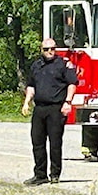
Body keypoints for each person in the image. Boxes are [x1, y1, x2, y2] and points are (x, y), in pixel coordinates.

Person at [21, 38, 77, 185]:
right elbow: (31, 86)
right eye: (46, 49)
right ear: (42, 50)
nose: (49, 52)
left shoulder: (63, 64)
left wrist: (68, 102)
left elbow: (72, 84)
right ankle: (40, 174)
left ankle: (55, 174)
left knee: (55, 142)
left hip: (56, 108)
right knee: (37, 141)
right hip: (39, 108)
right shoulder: (36, 65)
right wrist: (26, 102)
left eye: (52, 48)